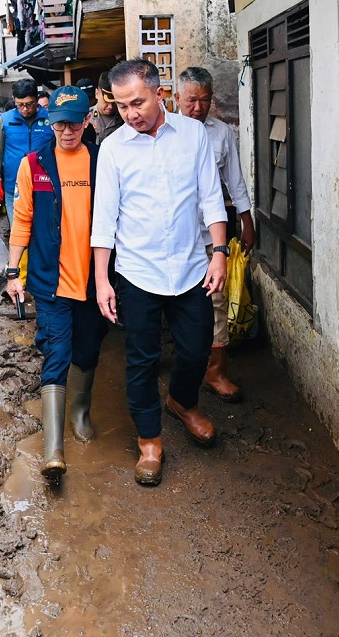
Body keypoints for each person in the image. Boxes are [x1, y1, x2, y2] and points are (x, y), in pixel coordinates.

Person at [91, 58, 228, 487]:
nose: (130, 113)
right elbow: (104, 218)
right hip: (137, 272)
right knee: (142, 359)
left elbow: (210, 196)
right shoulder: (114, 148)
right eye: (122, 105)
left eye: (137, 103)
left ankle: (183, 402)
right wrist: (102, 279)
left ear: (159, 93)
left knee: (195, 348)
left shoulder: (191, 136)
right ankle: (149, 440)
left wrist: (219, 252)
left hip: (191, 266)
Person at [6, 86, 108, 483]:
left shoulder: (101, 161)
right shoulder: (34, 165)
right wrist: (13, 273)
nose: (67, 131)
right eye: (60, 124)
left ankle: (80, 413)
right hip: (50, 280)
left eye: (75, 123)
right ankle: (53, 449)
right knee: (56, 351)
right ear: (51, 124)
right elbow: (22, 219)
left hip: (93, 279)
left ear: (87, 121)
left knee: (88, 348)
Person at [175, 67, 255, 403]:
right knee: (177, 303)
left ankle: (216, 371)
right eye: (191, 100)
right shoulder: (163, 131)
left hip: (211, 237)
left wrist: (246, 219)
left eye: (204, 100)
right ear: (176, 98)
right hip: (176, 238)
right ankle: (182, 367)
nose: (197, 107)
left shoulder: (221, 134)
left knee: (217, 301)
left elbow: (234, 181)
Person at [0, 79, 54, 225]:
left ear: (37, 99)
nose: (25, 109)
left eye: (29, 104)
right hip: (14, 189)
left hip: (44, 187)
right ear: (14, 100)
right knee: (19, 233)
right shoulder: (4, 121)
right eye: (20, 105)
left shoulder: (51, 120)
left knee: (42, 231)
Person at [89, 69, 124, 145]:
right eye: (106, 102)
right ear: (97, 94)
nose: (111, 106)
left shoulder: (124, 118)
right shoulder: (86, 118)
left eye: (114, 102)